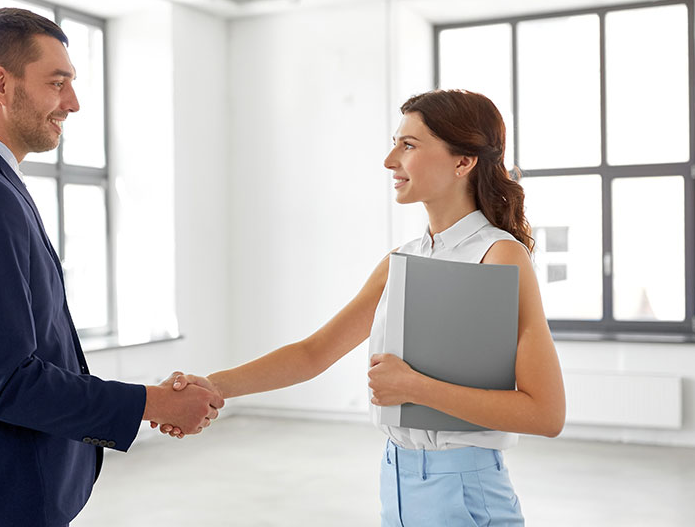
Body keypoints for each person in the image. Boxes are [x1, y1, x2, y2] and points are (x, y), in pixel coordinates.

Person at [156, 89, 565, 526]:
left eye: (409, 145)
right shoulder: (401, 260)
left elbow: (545, 412)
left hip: (466, 492)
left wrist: (414, 387)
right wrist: (212, 386)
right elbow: (314, 353)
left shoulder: (499, 255)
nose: (391, 161)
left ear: (463, 162)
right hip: (396, 484)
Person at [0, 8, 223, 527]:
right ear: (0, 84)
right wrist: (153, 403)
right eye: (58, 83)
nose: (72, 104)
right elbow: (8, 383)